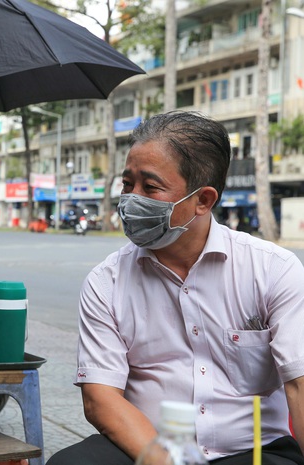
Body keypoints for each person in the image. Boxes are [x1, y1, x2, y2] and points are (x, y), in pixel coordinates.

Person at [47, 111, 304, 465]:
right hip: (148, 447)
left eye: (150, 187)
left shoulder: (272, 270)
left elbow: (299, 384)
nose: (131, 200)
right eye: (127, 184)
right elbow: (100, 398)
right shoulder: (106, 282)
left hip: (252, 452)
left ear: (203, 200)